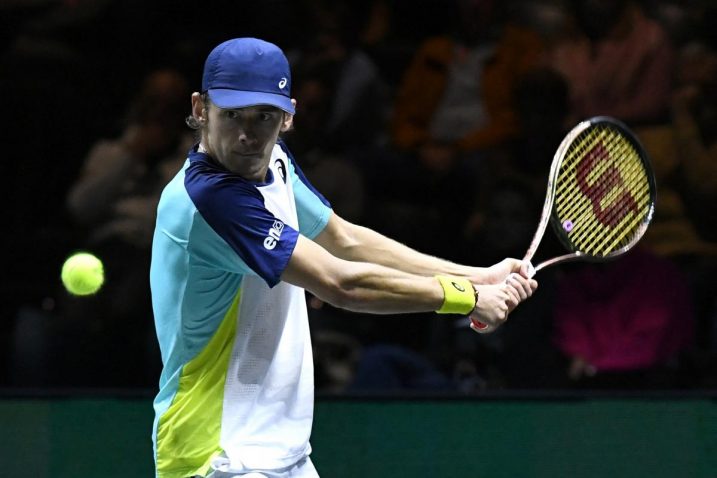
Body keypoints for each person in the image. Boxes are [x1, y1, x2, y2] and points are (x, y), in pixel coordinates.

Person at [149, 38, 538, 478]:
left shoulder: (271, 159)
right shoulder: (209, 199)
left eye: (264, 116)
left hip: (281, 451)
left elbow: (345, 240)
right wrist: (464, 297)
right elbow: (341, 284)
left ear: (288, 115)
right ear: (200, 109)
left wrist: (480, 276)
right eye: (231, 114)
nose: (247, 134)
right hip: (216, 454)